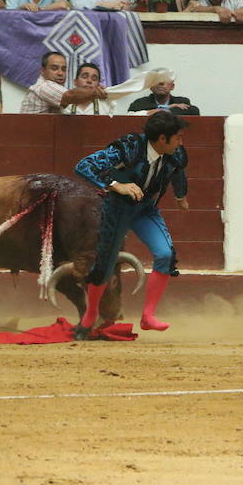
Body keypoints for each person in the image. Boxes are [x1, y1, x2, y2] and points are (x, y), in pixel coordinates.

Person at [72, 111, 190, 339]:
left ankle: (148, 316)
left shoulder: (175, 152)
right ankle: (91, 313)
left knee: (165, 254)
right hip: (118, 209)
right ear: (162, 139)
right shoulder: (128, 147)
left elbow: (178, 171)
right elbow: (83, 166)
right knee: (105, 264)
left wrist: (180, 196)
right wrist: (116, 184)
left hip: (145, 208)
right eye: (177, 137)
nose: (181, 142)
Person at [19, 51, 108, 113]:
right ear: (42, 71)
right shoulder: (44, 86)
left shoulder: (56, 89)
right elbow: (70, 96)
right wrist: (95, 93)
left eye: (64, 69)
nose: (60, 73)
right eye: (54, 68)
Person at [127, 68, 201, 114]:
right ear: (150, 86)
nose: (161, 83)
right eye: (157, 80)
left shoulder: (181, 101)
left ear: (172, 86)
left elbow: (194, 111)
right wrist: (169, 107)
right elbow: (131, 115)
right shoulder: (140, 103)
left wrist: (163, 110)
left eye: (164, 80)